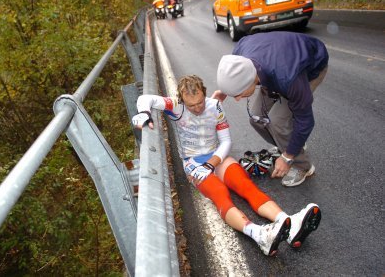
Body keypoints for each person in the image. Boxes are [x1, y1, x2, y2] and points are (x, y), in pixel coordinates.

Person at [132, 75, 321, 256]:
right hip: (193, 162)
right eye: (192, 105)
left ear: (204, 93)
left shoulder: (214, 106)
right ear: (181, 100)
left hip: (216, 156)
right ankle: (259, 234)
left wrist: (212, 163)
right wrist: (144, 113)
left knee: (244, 184)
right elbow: (145, 98)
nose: (197, 108)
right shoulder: (175, 106)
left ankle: (287, 222)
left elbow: (226, 142)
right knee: (220, 193)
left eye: (200, 102)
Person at [214, 31, 329, 187]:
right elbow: (233, 74)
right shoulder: (240, 56)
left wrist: (288, 157)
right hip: (272, 66)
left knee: (277, 121)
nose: (238, 99)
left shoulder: (289, 80)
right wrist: (225, 90)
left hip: (309, 66)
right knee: (256, 117)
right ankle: (288, 145)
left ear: (250, 81)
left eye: (239, 94)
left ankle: (302, 165)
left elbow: (306, 121)